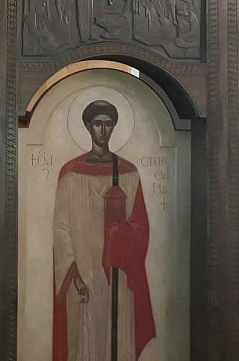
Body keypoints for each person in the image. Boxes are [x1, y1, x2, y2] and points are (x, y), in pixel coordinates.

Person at [53, 100, 155, 360]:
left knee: (117, 336)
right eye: (97, 124)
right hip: (84, 273)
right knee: (88, 334)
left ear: (114, 127)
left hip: (118, 273)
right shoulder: (70, 174)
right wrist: (75, 274)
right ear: (88, 127)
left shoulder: (129, 173)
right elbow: (61, 230)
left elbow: (140, 226)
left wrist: (120, 235)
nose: (103, 130)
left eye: (108, 124)